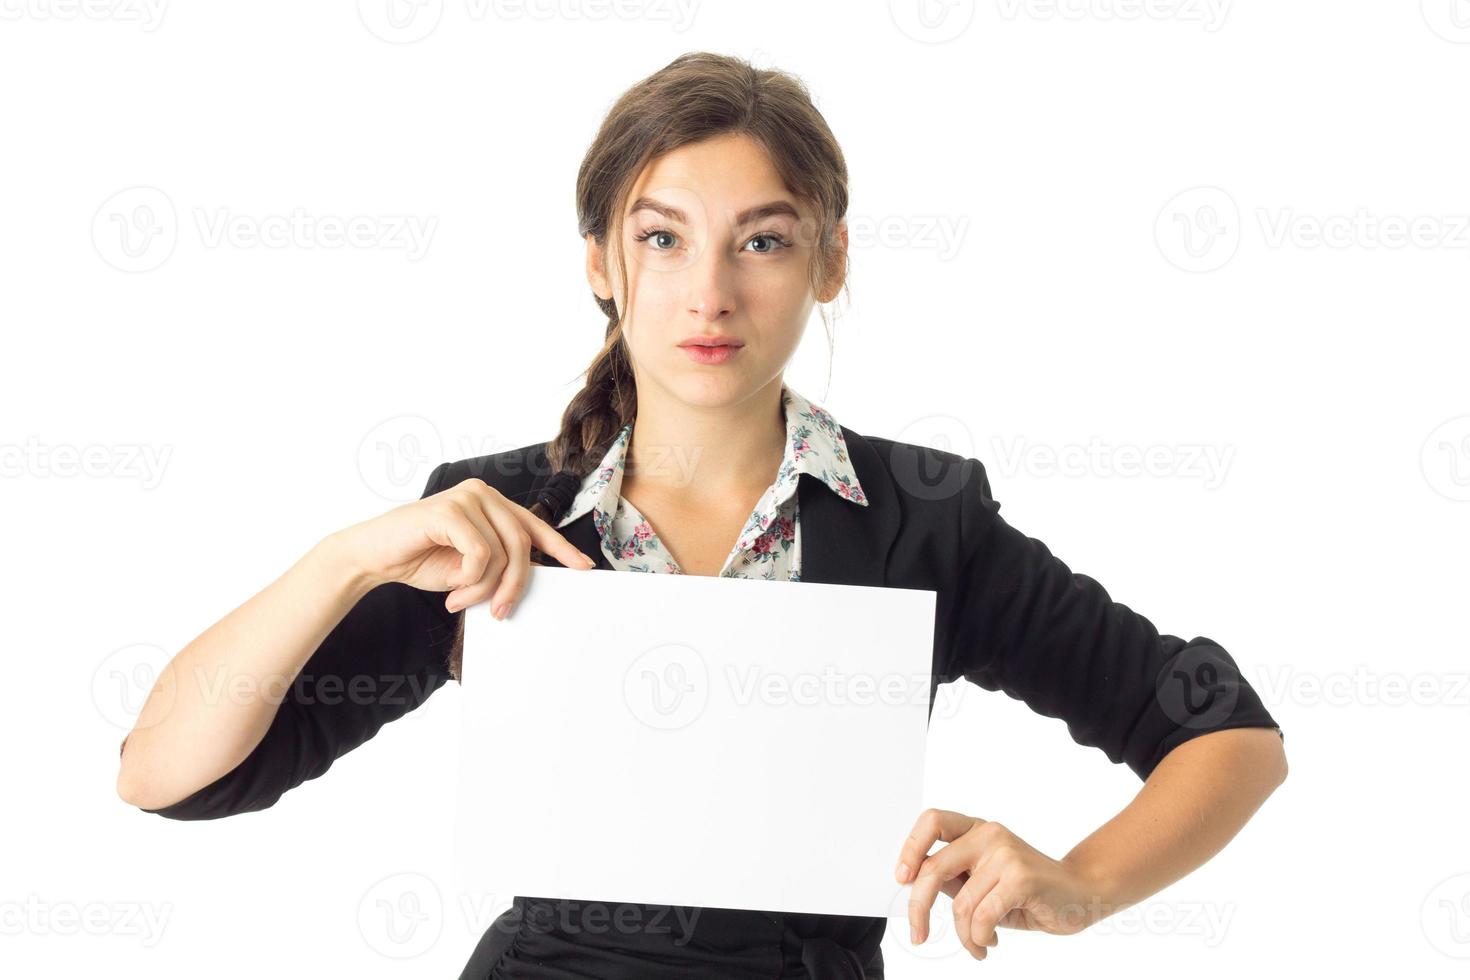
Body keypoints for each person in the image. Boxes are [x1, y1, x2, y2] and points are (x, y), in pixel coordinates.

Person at [117, 51, 1287, 979]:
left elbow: (1227, 731)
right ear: (598, 263)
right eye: (662, 237)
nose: (710, 291)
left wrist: (1081, 884)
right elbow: (166, 773)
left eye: (763, 240)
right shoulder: (496, 515)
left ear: (830, 260)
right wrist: (345, 557)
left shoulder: (924, 518)